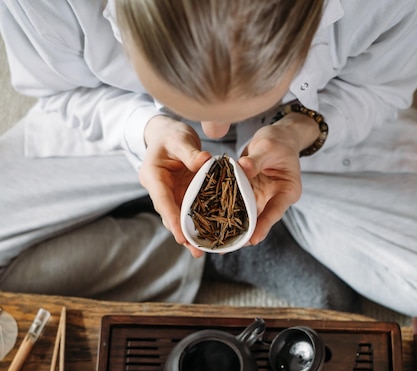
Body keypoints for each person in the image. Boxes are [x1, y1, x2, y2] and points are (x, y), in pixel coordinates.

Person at [0, 1, 416, 314]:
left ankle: (245, 242)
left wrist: (298, 130)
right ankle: (200, 255)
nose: (213, 133)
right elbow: (63, 88)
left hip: (308, 137)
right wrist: (143, 127)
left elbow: (379, 87)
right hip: (120, 125)